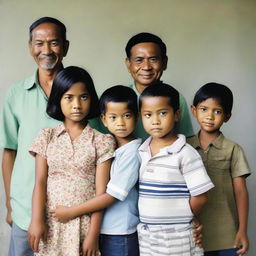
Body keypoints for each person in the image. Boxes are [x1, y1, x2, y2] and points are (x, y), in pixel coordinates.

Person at [27, 66, 115, 255]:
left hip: (84, 224)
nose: (77, 104)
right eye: (69, 97)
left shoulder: (102, 141)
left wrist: (93, 234)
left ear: (91, 99)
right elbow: (40, 181)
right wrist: (36, 220)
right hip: (52, 224)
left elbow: (102, 193)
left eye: (83, 97)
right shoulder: (46, 136)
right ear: (58, 99)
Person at [0, 16, 69, 256]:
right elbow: (9, 150)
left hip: (69, 209)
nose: (46, 50)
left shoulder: (80, 92)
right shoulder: (16, 93)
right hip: (25, 208)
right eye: (39, 43)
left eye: (54, 43)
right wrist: (10, 204)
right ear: (30, 47)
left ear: (66, 46)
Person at [50, 85, 141, 256]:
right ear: (104, 120)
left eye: (126, 116)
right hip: (106, 230)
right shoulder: (111, 147)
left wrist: (71, 212)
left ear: (136, 117)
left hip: (121, 232)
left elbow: (112, 196)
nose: (120, 123)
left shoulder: (132, 152)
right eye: (113, 117)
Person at [137, 82, 214, 255]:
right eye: (148, 115)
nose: (155, 121)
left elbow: (200, 197)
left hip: (178, 236)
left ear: (177, 114)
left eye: (162, 113)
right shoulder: (142, 151)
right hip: (148, 236)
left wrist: (184, 217)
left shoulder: (185, 153)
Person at [187, 83, 250, 256]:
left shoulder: (233, 149)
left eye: (217, 111)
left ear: (227, 116)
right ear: (194, 110)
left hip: (227, 233)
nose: (209, 116)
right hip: (192, 232)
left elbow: (241, 191)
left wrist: (242, 230)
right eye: (204, 109)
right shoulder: (183, 146)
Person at [125, 32, 194, 139]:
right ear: (128, 64)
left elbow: (188, 138)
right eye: (139, 60)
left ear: (164, 62)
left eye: (153, 59)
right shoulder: (120, 99)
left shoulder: (176, 98)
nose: (146, 67)